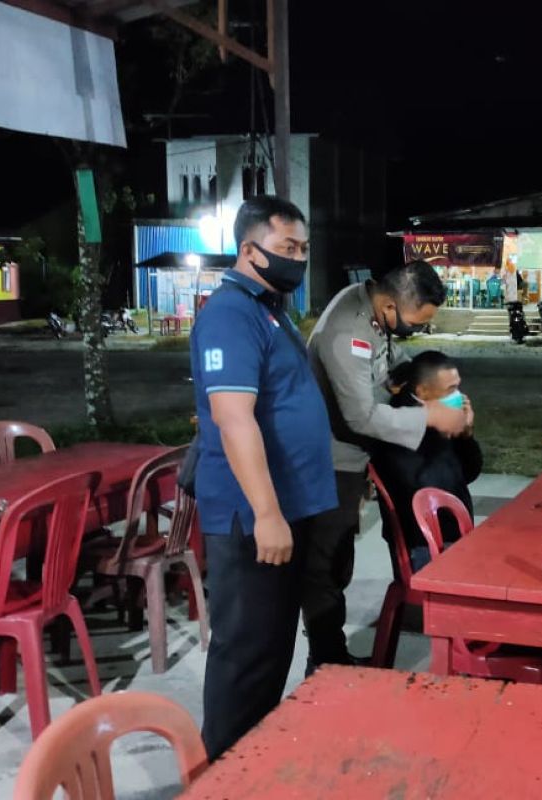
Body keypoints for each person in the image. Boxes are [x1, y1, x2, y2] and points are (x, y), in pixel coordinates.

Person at [189, 196, 337, 760]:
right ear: (248, 250)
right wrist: (268, 515)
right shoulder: (231, 313)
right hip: (251, 518)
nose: (297, 259)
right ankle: (219, 773)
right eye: (286, 249)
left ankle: (252, 765)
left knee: (272, 649)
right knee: (247, 654)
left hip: (286, 508)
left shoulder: (270, 308)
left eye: (302, 248)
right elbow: (232, 418)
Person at [305, 260, 466, 671]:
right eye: (415, 322)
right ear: (391, 306)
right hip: (329, 458)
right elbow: (360, 417)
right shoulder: (347, 331)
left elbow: (394, 367)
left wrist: (434, 389)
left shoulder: (371, 310)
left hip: (352, 455)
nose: (416, 331)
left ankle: (331, 655)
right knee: (325, 565)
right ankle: (324, 663)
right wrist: (429, 417)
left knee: (338, 560)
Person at [371, 351, 482, 570]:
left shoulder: (441, 416)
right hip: (423, 542)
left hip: (454, 531)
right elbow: (422, 485)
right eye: (450, 390)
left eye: (458, 386)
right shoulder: (400, 424)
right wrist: (442, 426)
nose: (458, 395)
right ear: (422, 391)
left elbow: (468, 473)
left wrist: (465, 434)